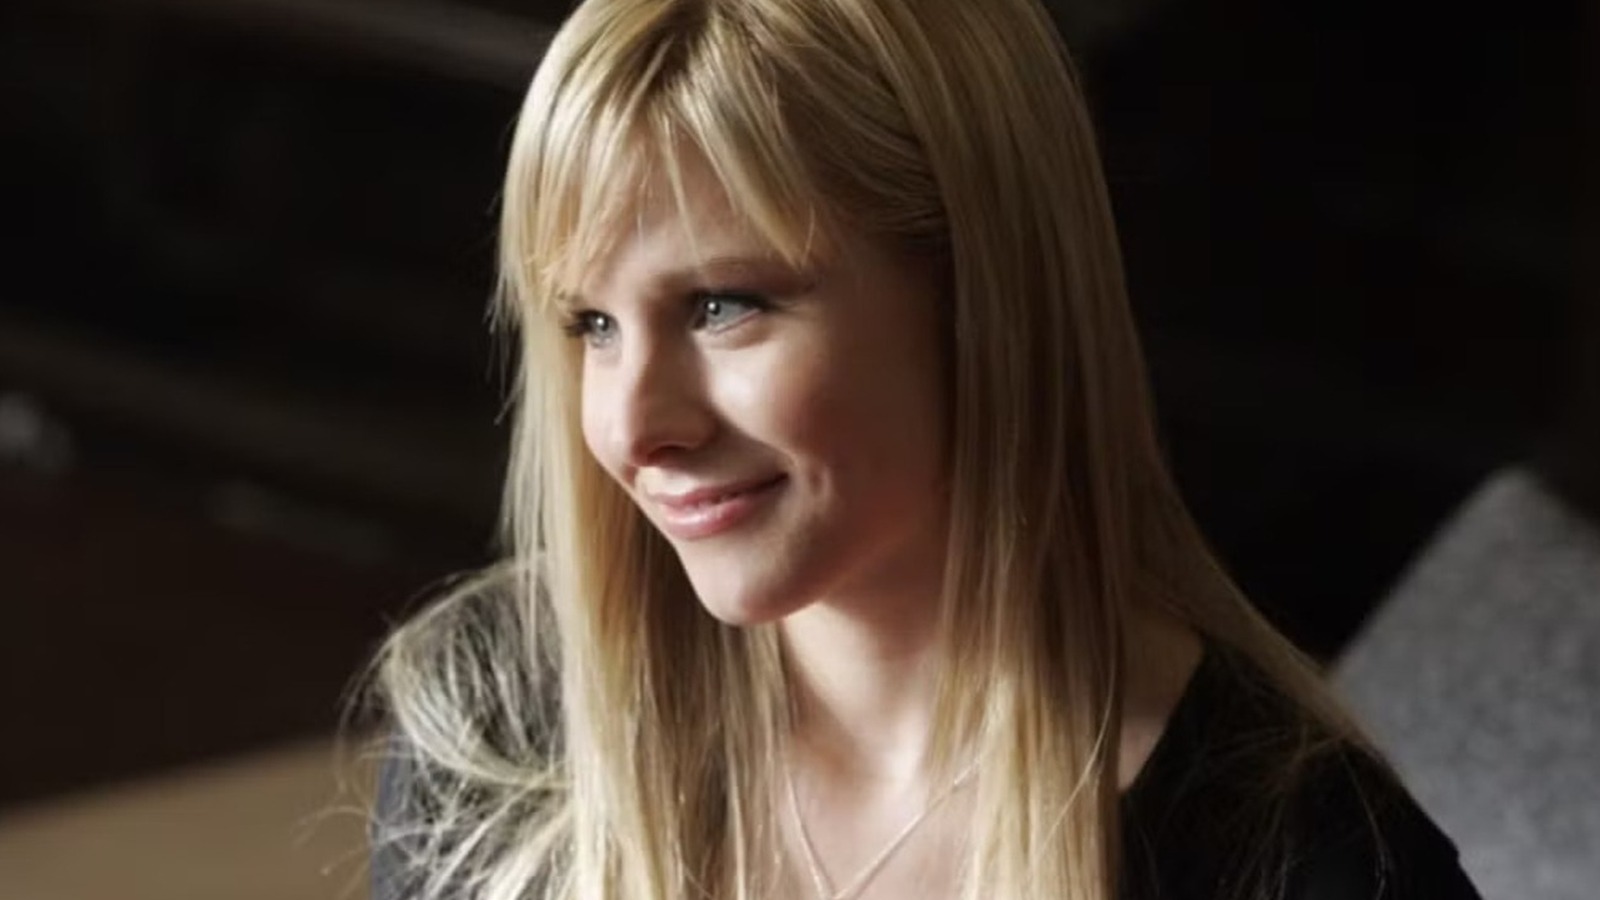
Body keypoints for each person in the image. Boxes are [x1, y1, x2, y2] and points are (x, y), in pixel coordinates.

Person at [367, 1, 1484, 898]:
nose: (630, 428)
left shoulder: (1312, 864)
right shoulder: (495, 728)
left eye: (722, 306)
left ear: (980, 298)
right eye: (591, 325)